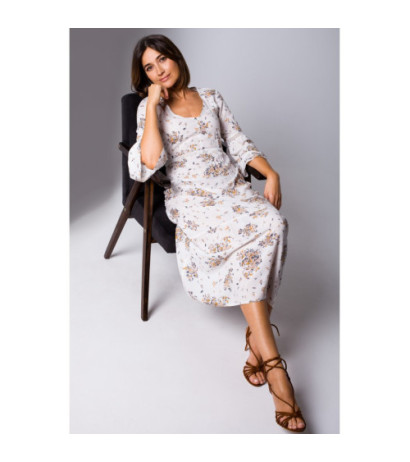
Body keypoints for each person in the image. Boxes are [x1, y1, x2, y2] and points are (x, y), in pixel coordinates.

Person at [128, 34, 306, 433]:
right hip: (193, 200)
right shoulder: (148, 108)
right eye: (149, 68)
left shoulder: (210, 96)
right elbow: (147, 163)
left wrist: (271, 173)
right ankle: (275, 367)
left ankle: (257, 341)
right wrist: (153, 106)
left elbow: (237, 142)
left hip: (231, 189)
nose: (159, 70)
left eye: (162, 60)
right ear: (145, 77)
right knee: (238, 244)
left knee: (273, 224)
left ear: (176, 58)